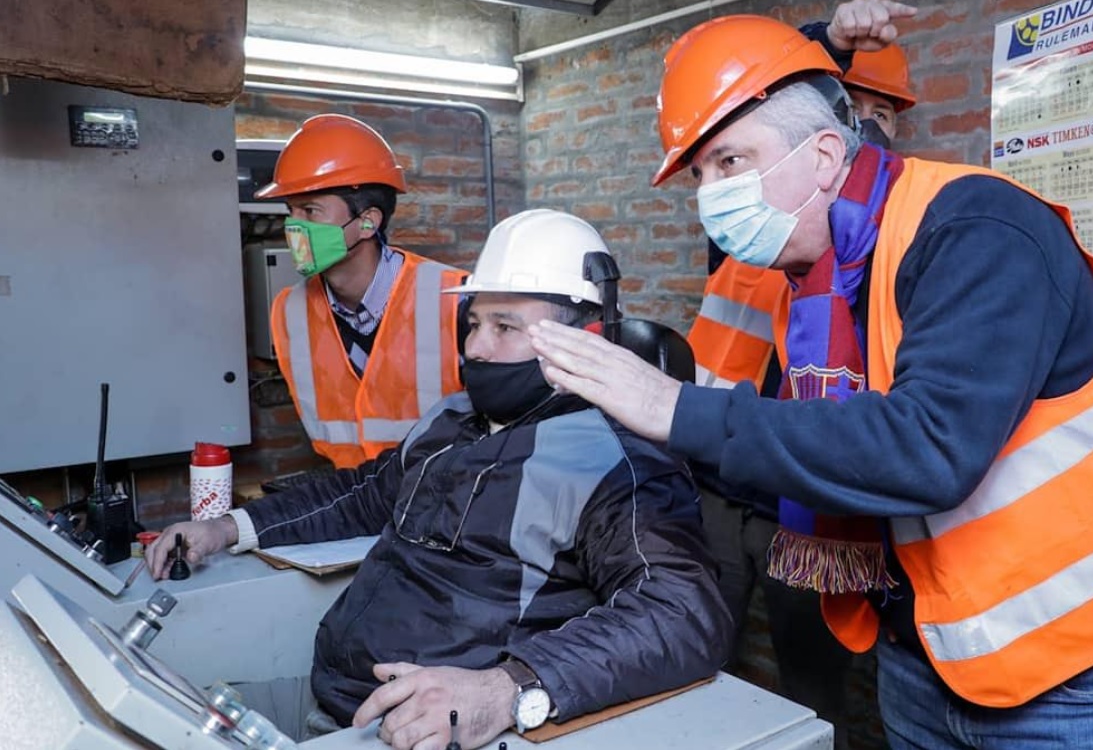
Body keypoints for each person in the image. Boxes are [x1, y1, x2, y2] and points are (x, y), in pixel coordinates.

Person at [530, 13, 1093, 750]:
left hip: (1087, 668)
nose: (709, 196)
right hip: (928, 653)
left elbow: (930, 448)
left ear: (819, 156)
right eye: (700, 175)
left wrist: (673, 407)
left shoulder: (976, 227)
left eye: (729, 162)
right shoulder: (813, 277)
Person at [147, 209, 733, 750]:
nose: (475, 347)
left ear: (586, 339)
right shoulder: (451, 419)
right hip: (335, 694)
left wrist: (508, 690)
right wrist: (227, 528)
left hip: (421, 729)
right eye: (473, 322)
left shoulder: (616, 462)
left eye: (506, 327)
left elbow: (681, 613)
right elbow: (363, 495)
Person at [685, 0, 915, 748]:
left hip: (809, 510)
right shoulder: (752, 218)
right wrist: (828, 41)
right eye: (857, 106)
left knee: (814, 689)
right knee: (690, 659)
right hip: (718, 488)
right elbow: (763, 111)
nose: (869, 122)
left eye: (884, 111)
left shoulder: (898, 245)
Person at [258, 113, 468, 469]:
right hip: (353, 502)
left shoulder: (455, 298)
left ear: (368, 222)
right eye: (289, 211)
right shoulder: (289, 311)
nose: (294, 227)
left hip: (449, 504)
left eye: (310, 210)